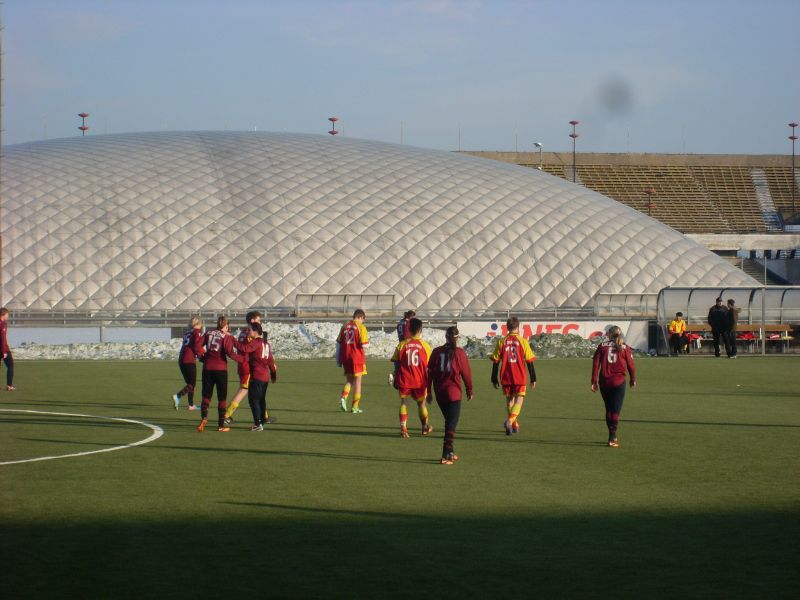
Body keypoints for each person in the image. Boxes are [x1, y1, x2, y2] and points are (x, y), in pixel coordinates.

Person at [197, 316, 259, 432]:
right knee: (222, 398)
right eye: (228, 327)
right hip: (220, 369)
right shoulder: (226, 337)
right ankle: (221, 425)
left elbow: (197, 346)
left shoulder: (208, 333)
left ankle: (204, 418)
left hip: (207, 368)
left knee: (206, 396)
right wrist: (243, 359)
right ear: (225, 326)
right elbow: (230, 353)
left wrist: (202, 357)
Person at [428, 326, 473, 464]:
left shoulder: (436, 352)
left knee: (449, 422)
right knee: (451, 424)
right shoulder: (460, 353)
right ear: (457, 338)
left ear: (445, 337)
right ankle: (445, 454)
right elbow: (466, 373)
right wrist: (469, 390)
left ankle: (450, 451)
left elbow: (429, 374)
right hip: (453, 393)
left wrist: (428, 391)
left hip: (440, 393)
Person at [591, 325, 636, 448]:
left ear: (609, 335)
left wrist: (593, 381)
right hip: (618, 382)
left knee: (609, 409)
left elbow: (596, 364)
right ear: (620, 334)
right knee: (615, 410)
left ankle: (612, 436)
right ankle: (612, 436)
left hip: (604, 382)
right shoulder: (624, 347)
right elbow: (631, 365)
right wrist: (632, 379)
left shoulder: (602, 346)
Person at [490, 316, 537, 435]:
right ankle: (510, 421)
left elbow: (496, 361)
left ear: (507, 327)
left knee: (510, 400)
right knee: (519, 399)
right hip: (519, 375)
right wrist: (533, 378)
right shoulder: (523, 341)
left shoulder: (501, 341)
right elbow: (529, 361)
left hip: (506, 375)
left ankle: (514, 425)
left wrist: (493, 377)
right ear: (518, 327)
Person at [390, 318, 433, 438]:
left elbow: (396, 362)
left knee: (404, 403)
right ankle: (424, 427)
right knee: (421, 404)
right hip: (420, 381)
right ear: (420, 330)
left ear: (409, 329)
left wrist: (395, 374)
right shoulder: (425, 346)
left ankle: (404, 428)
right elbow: (429, 366)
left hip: (405, 379)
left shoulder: (402, 344)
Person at [223, 311, 263, 425]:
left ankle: (264, 416)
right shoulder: (250, 334)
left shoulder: (243, 332)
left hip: (242, 365)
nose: (260, 322)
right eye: (258, 320)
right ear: (252, 321)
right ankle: (226, 415)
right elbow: (249, 349)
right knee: (244, 390)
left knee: (256, 391)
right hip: (248, 366)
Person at [336, 309, 370, 413]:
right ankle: (355, 407)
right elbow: (364, 345)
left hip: (346, 357)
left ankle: (343, 397)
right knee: (358, 382)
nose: (363, 321)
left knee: (349, 380)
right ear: (360, 317)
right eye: (363, 319)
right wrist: (369, 343)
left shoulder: (344, 326)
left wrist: (338, 359)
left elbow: (338, 343)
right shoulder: (361, 327)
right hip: (357, 358)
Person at [247, 323, 278, 431]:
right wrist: (273, 374)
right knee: (261, 399)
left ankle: (258, 424)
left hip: (257, 375)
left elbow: (245, 349)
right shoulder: (267, 345)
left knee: (253, 400)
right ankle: (262, 421)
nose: (248, 331)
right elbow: (271, 361)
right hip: (265, 376)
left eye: (249, 330)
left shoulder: (256, 342)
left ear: (256, 331)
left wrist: (233, 342)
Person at [172, 316, 205, 410]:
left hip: (181, 359)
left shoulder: (187, 333)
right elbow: (197, 346)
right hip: (189, 360)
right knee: (192, 384)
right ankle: (178, 396)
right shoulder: (197, 332)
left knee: (190, 384)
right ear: (199, 323)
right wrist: (202, 357)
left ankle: (191, 405)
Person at [389, 310, 416, 386]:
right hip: (406, 345)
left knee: (399, 364)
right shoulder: (408, 323)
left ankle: (393, 375)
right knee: (408, 364)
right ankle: (406, 380)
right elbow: (406, 335)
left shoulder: (400, 322)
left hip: (400, 344)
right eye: (413, 317)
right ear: (411, 316)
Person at [0, 308, 14, 391]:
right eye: (7, 314)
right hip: (3, 348)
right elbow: (2, 338)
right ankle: (9, 386)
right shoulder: (3, 324)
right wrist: (4, 351)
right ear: (3, 315)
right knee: (10, 365)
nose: (8, 316)